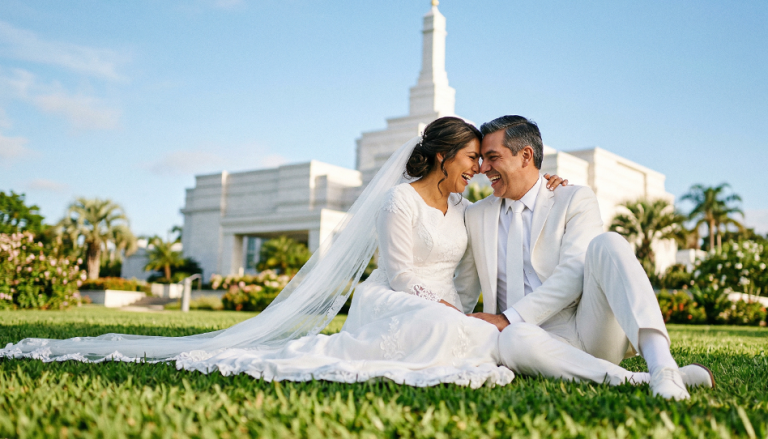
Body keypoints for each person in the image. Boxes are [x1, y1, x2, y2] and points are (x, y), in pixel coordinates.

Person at [0, 117, 563, 387]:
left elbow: (488, 236)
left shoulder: (467, 209)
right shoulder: (398, 202)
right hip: (395, 300)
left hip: (446, 307)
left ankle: (456, 332)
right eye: (471, 158)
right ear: (443, 157)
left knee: (473, 330)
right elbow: (399, 274)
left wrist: (548, 184)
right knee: (453, 330)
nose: (479, 167)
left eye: (484, 160)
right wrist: (438, 308)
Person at [464, 115, 715, 400]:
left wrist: (508, 318)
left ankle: (663, 367)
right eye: (482, 159)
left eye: (492, 157)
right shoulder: (476, 214)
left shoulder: (573, 198)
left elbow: (574, 272)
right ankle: (638, 380)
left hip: (588, 329)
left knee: (608, 243)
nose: (483, 168)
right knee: (512, 339)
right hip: (526, 342)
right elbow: (465, 287)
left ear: (525, 156)